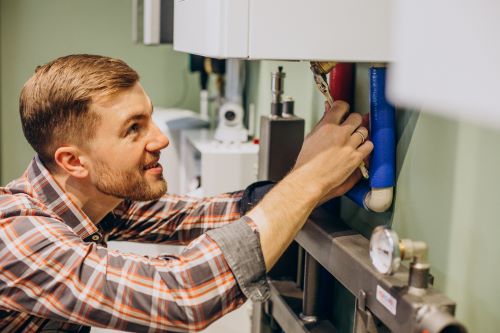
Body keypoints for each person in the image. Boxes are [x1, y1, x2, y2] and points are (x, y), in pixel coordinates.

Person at [0, 54, 372, 332]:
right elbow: (181, 293)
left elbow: (191, 216)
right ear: (73, 161)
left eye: (149, 118)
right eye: (133, 129)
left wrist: (314, 178)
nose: (160, 139)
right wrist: (306, 183)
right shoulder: (18, 237)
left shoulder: (94, 201)